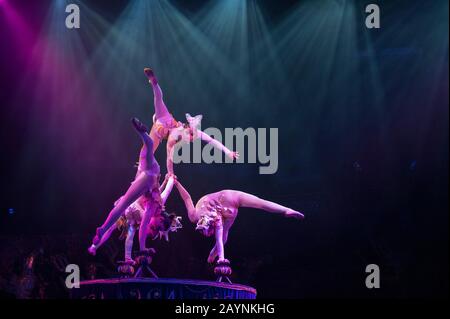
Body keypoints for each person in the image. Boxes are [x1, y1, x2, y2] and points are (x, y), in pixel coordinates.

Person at [174, 180, 304, 264]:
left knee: (223, 237)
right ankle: (286, 210)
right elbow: (187, 198)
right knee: (261, 203)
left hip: (228, 206)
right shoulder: (196, 216)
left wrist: (221, 259)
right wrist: (177, 183)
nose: (207, 234)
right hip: (230, 197)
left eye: (207, 233)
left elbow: (220, 240)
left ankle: (212, 255)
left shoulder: (211, 219)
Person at [143, 68, 239, 175]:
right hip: (161, 124)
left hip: (165, 120)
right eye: (191, 138)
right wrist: (170, 173)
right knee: (147, 152)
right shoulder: (176, 135)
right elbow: (169, 156)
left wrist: (228, 151)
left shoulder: (190, 132)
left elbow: (211, 141)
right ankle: (154, 83)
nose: (191, 140)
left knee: (158, 100)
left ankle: (154, 84)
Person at [90, 118, 163, 253]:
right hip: (148, 174)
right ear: (161, 218)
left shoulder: (152, 207)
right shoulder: (154, 207)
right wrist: (142, 248)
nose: (152, 228)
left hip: (144, 173)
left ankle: (103, 229)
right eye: (155, 227)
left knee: (122, 204)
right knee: (150, 145)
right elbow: (144, 226)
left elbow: (141, 228)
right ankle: (142, 132)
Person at [87, 177, 181, 262]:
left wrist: (169, 181)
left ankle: (95, 247)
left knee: (126, 230)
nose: (154, 227)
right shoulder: (158, 204)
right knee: (115, 228)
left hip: (130, 214)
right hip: (129, 207)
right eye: (157, 227)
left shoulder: (152, 212)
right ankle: (96, 246)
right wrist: (171, 179)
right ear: (160, 219)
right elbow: (165, 191)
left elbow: (162, 191)